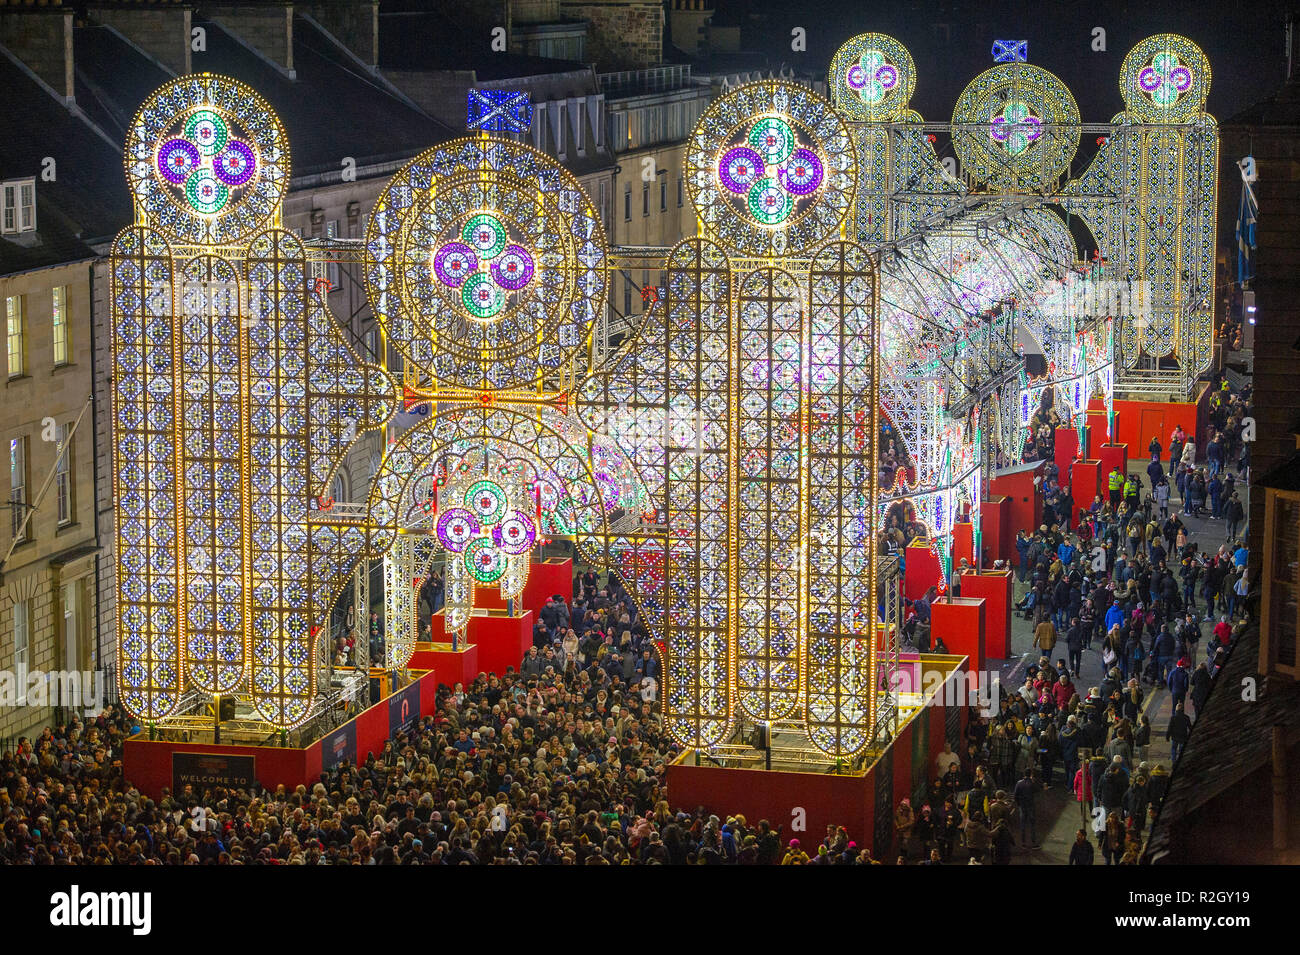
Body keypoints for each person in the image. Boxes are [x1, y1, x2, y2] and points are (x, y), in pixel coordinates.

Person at [1013, 769, 1039, 848]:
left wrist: (1019, 804)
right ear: (1030, 774)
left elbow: (1015, 795)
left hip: (1022, 805)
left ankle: (1023, 842)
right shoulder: (1032, 783)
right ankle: (1033, 842)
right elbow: (1037, 790)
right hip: (1030, 805)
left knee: (1023, 824)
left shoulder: (1019, 783)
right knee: (1032, 824)